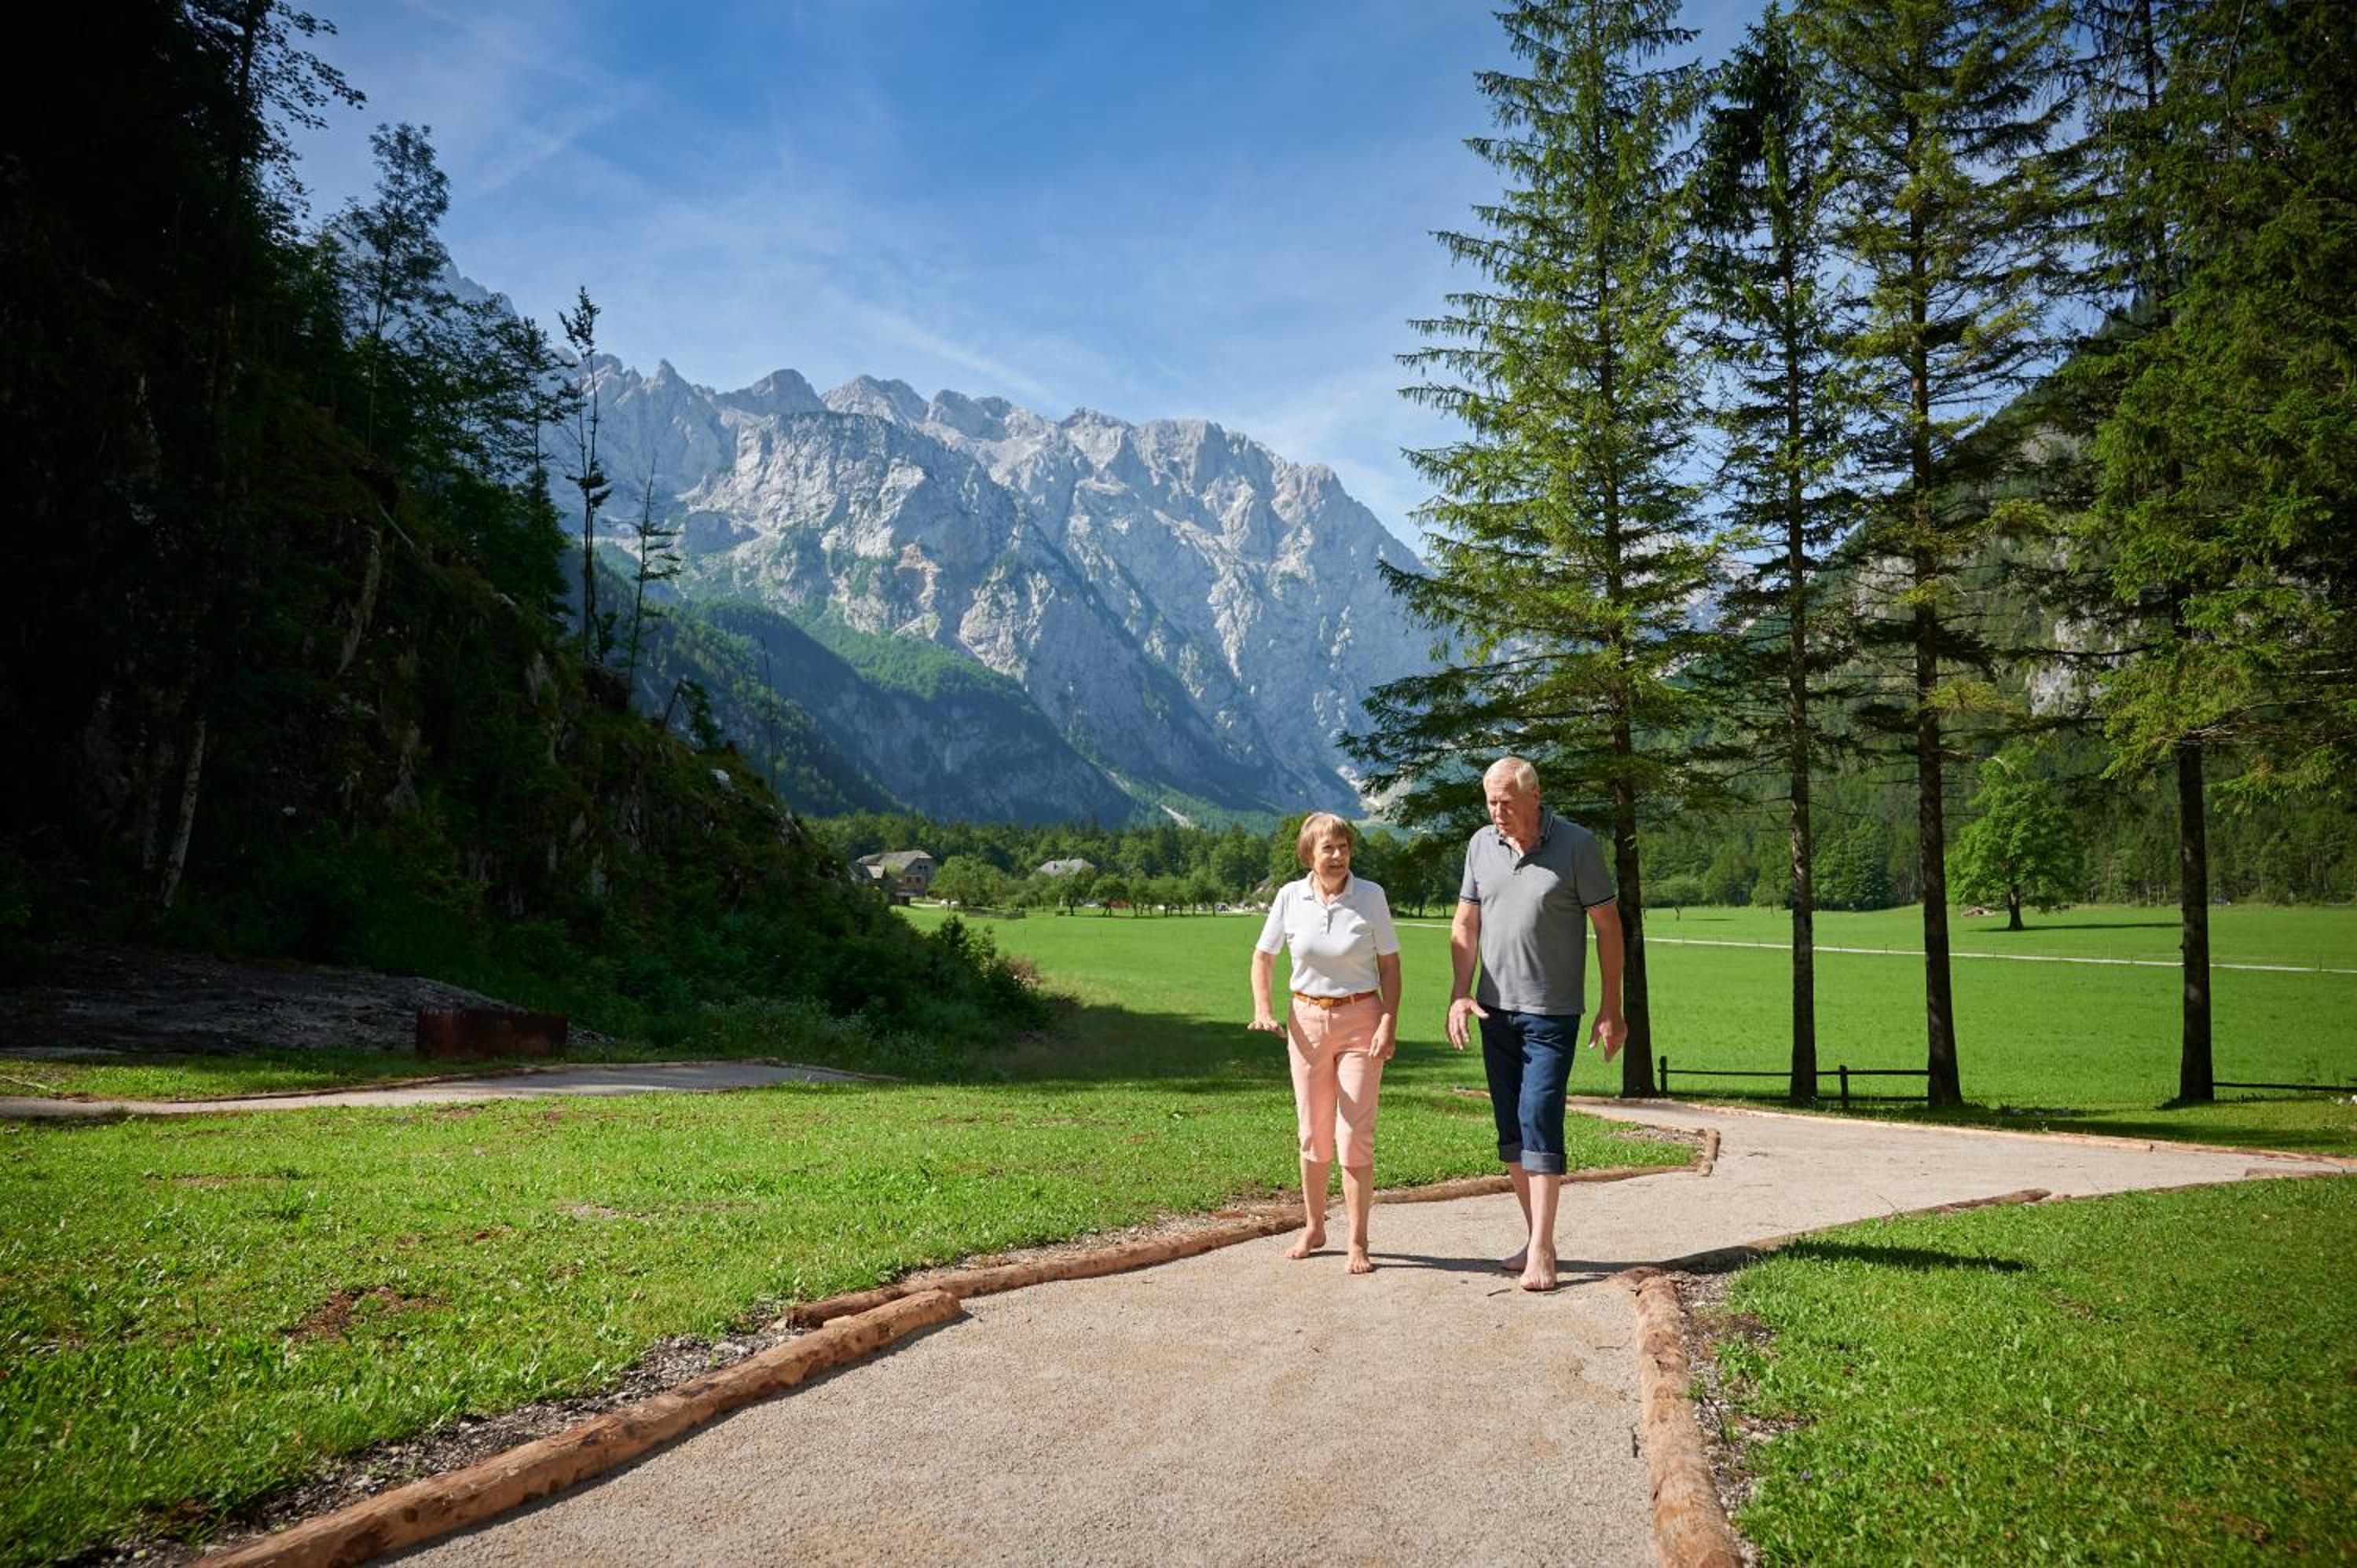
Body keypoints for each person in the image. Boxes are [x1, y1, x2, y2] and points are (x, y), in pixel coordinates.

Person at [1446, 757, 1626, 1291]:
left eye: (1505, 802)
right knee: (1511, 1129)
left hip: (1553, 1012)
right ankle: (1535, 1237)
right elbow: (1466, 923)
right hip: (1493, 1010)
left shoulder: (1577, 846)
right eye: (1490, 802)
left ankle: (1544, 1250)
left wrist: (1611, 1007)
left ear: (1535, 796)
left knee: (1538, 1116)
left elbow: (1609, 928)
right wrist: (1460, 993)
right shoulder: (1481, 845)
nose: (1496, 812)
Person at [1248, 812, 1403, 1275]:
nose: (1338, 856)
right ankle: (1315, 1227)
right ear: (1308, 855)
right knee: (1313, 1132)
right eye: (1328, 848)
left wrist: (1388, 1021)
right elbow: (1263, 957)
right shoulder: (1289, 897)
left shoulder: (1371, 896)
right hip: (1307, 1022)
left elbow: (1390, 966)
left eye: (1344, 847)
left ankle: (1358, 1240)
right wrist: (1263, 1009)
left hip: (1362, 1020)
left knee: (1354, 1133)